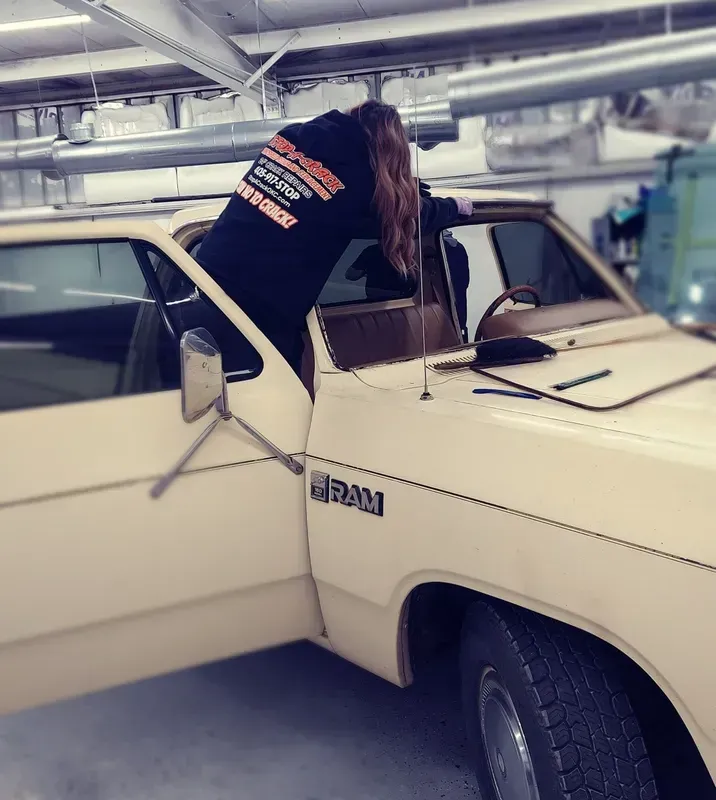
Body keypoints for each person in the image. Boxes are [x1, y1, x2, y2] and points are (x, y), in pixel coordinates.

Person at [196, 100, 474, 376]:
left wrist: (395, 189)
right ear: (391, 147)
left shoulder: (289, 137)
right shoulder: (359, 185)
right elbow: (404, 217)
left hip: (196, 279)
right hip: (255, 313)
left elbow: (311, 197)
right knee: (272, 402)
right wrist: (453, 206)